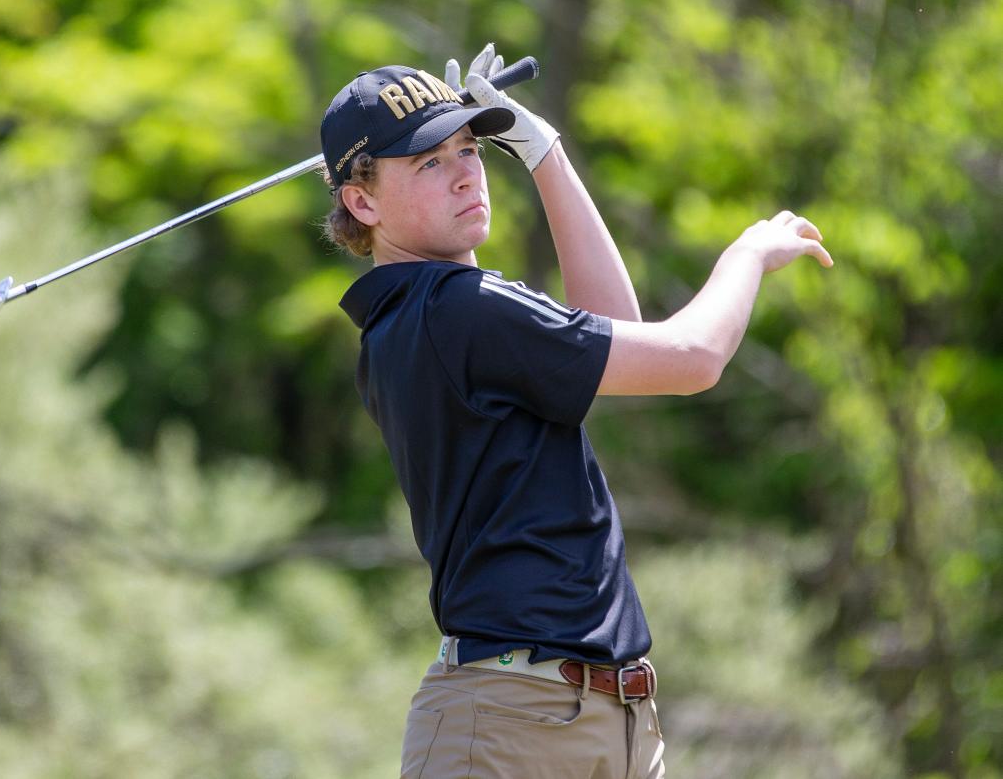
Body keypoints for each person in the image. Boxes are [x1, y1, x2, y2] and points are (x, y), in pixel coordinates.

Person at [319, 44, 833, 779]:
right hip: (513, 727)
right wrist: (747, 255)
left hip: (591, 721)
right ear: (362, 201)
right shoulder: (460, 310)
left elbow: (613, 325)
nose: (466, 171)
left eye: (471, 147)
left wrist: (543, 152)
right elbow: (689, 359)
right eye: (428, 162)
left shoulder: (418, 315)